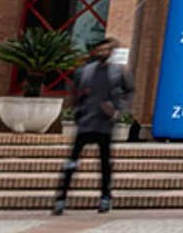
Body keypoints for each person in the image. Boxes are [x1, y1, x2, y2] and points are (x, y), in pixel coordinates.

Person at [52, 38, 133, 215]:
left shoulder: (117, 73)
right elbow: (75, 94)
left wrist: (117, 110)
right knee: (71, 162)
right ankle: (61, 198)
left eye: (107, 50)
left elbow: (129, 92)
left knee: (104, 163)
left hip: (104, 123)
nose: (104, 53)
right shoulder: (86, 71)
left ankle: (105, 197)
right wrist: (76, 111)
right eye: (101, 50)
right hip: (85, 122)